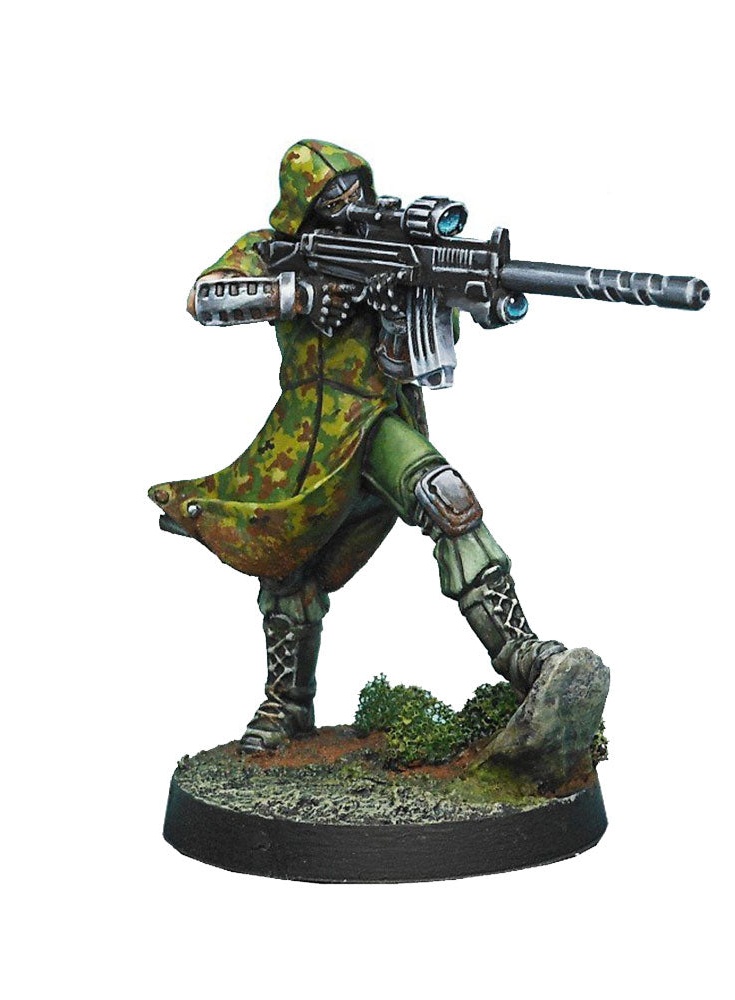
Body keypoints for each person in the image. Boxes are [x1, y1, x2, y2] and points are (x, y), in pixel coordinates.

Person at [149, 140, 579, 752]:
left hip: (377, 420)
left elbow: (408, 363)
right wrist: (298, 295)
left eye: (356, 191)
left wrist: (422, 306)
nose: (350, 205)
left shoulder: (394, 247)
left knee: (448, 499)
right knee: (287, 563)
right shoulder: (271, 248)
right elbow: (207, 298)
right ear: (302, 206)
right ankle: (286, 704)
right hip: (303, 432)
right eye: (332, 199)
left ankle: (524, 655)